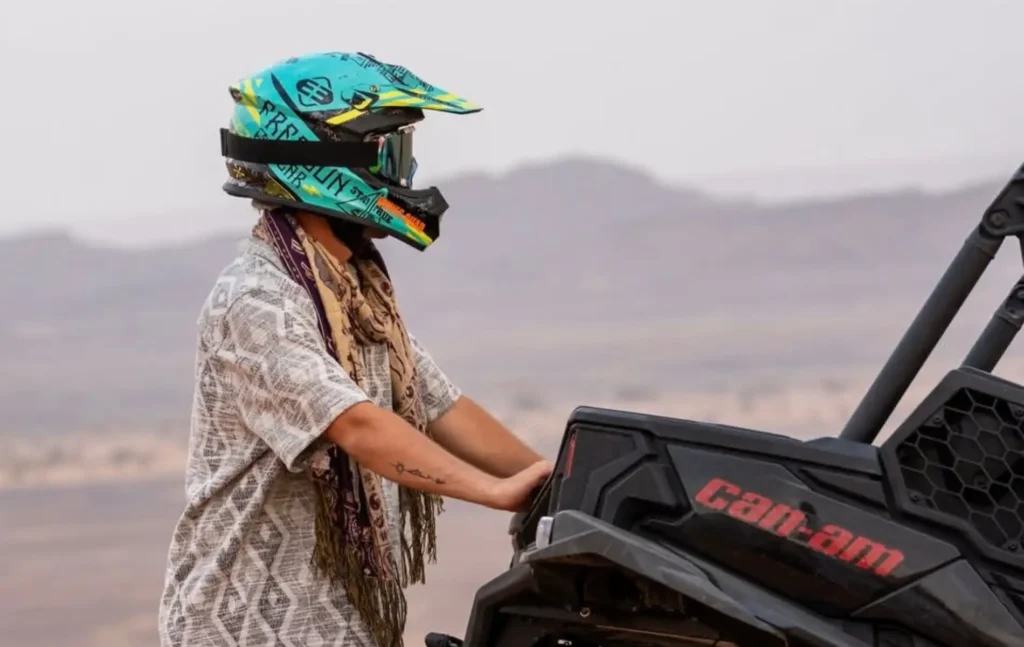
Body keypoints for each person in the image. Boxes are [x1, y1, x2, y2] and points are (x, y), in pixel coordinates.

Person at [158, 52, 553, 647]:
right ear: (324, 162)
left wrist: (560, 488)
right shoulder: (255, 299)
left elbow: (439, 405)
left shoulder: (354, 295)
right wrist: (492, 492)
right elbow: (357, 425)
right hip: (244, 631)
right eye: (391, 154)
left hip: (341, 626)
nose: (408, 171)